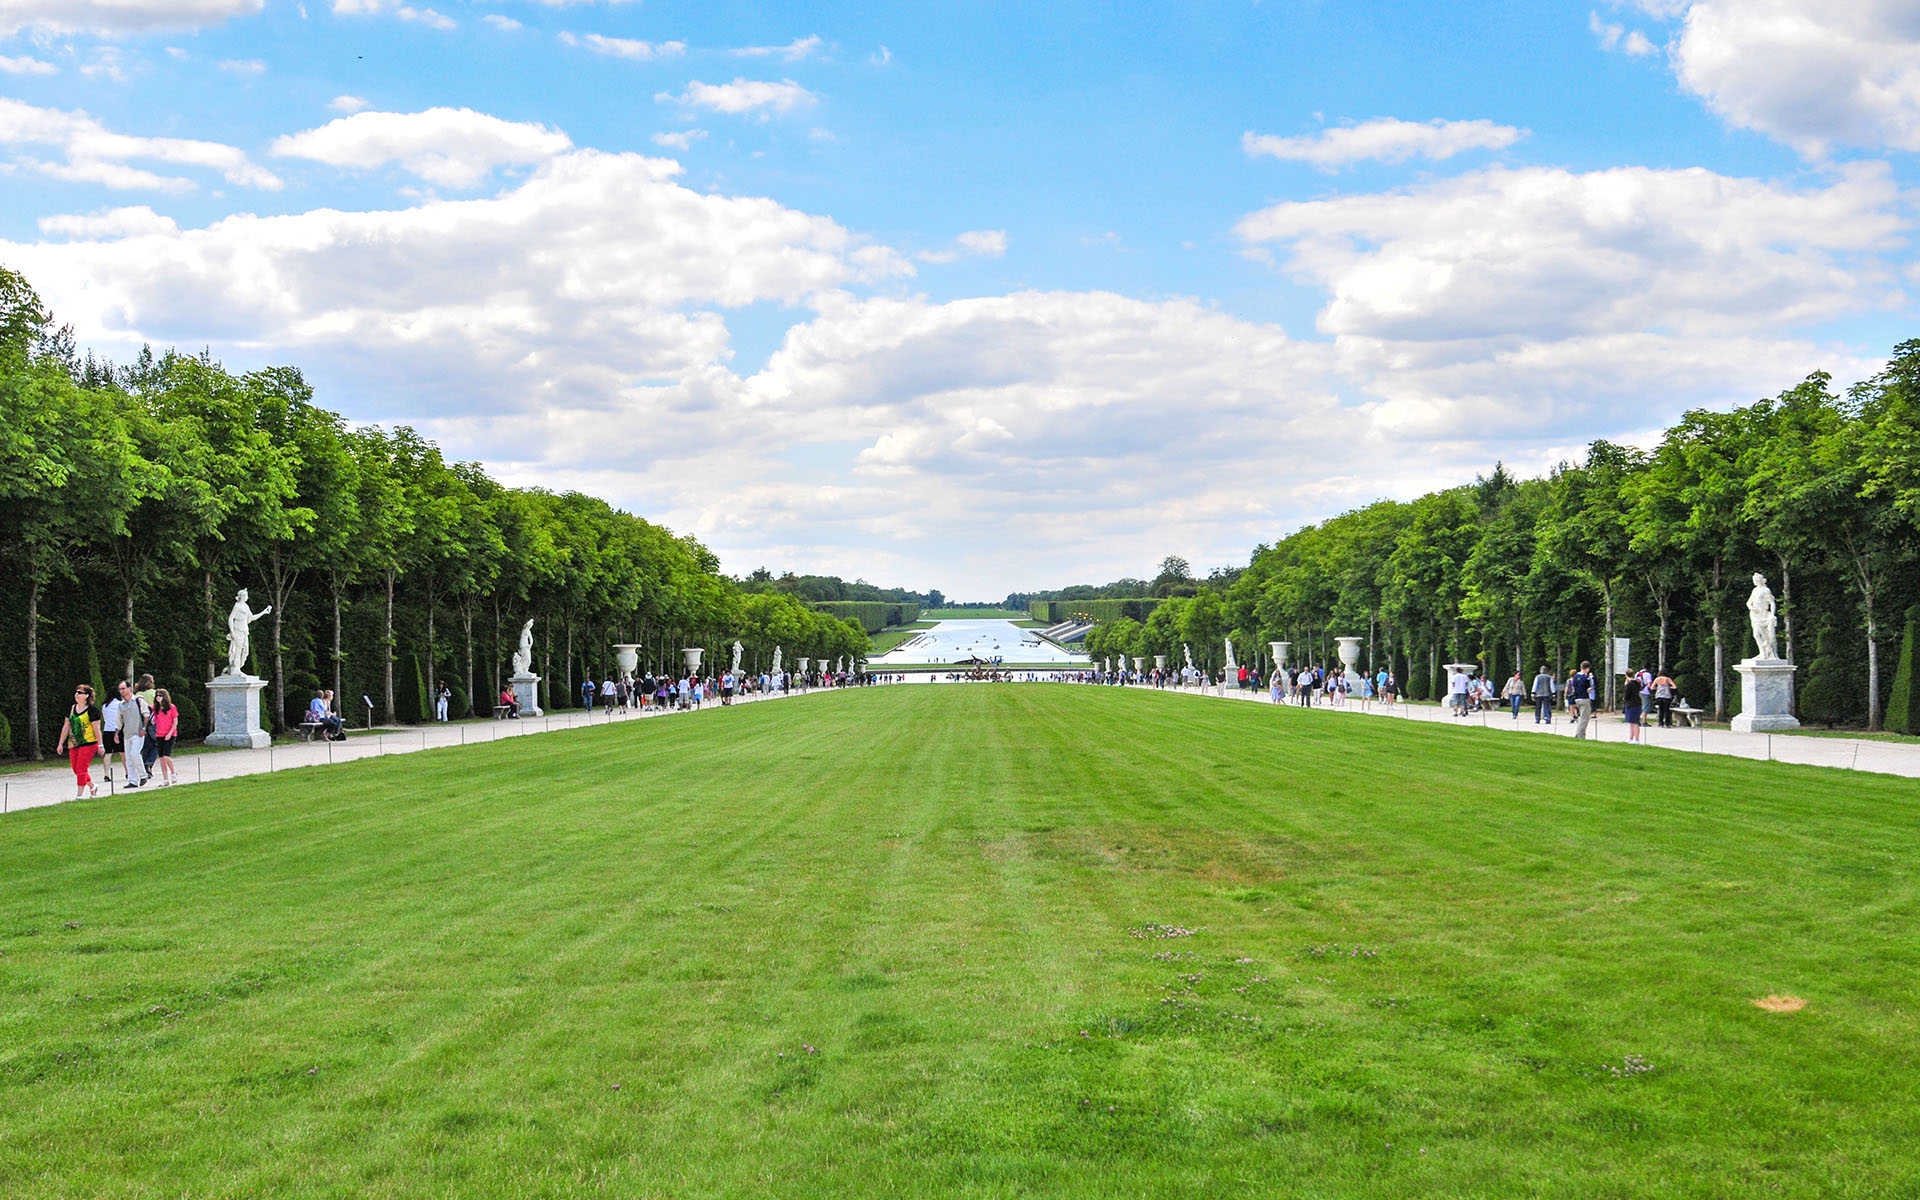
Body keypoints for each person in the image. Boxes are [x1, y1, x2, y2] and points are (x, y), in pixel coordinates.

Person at [56, 683, 104, 799]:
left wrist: (100, 745)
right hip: (74, 743)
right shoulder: (71, 709)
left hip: (88, 743)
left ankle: (79, 795)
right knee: (76, 769)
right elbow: (66, 726)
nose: (76, 695)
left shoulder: (92, 711)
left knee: (82, 768)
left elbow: (97, 729)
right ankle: (92, 786)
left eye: (80, 693)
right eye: (76, 692)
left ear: (87, 696)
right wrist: (60, 743)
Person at [114, 680, 151, 789]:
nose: (121, 691)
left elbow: (146, 714)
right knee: (128, 759)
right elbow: (119, 720)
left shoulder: (138, 701)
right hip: (127, 734)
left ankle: (143, 775)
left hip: (138, 733)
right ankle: (132, 781)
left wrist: (144, 728)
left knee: (134, 754)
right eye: (120, 689)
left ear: (129, 688)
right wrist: (116, 733)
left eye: (123, 688)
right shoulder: (121, 705)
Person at [150, 689, 180, 785]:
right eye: (157, 695)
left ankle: (173, 772)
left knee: (166, 756)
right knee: (161, 758)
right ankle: (165, 779)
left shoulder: (171, 707)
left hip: (170, 734)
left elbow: (175, 721)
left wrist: (170, 733)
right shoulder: (155, 708)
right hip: (159, 734)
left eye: (160, 695)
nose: (158, 697)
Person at [136, 673, 161, 777]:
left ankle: (145, 766)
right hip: (154, 721)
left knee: (146, 745)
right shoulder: (154, 693)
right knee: (157, 744)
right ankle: (149, 764)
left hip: (142, 721)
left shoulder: (137, 694)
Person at [1567, 661, 1596, 740]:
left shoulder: (1575, 676)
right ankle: (1580, 735)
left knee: (1581, 717)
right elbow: (1588, 689)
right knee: (1584, 718)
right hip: (1584, 699)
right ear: (1587, 668)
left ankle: (1579, 733)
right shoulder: (1585, 677)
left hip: (1577, 699)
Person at [1622, 671, 1645, 743]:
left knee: (1634, 722)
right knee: (1632, 722)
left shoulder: (1629, 684)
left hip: (1632, 704)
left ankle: (1636, 739)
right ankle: (1631, 738)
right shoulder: (1637, 683)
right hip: (1637, 703)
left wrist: (1624, 698)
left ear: (1626, 675)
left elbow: (1627, 695)